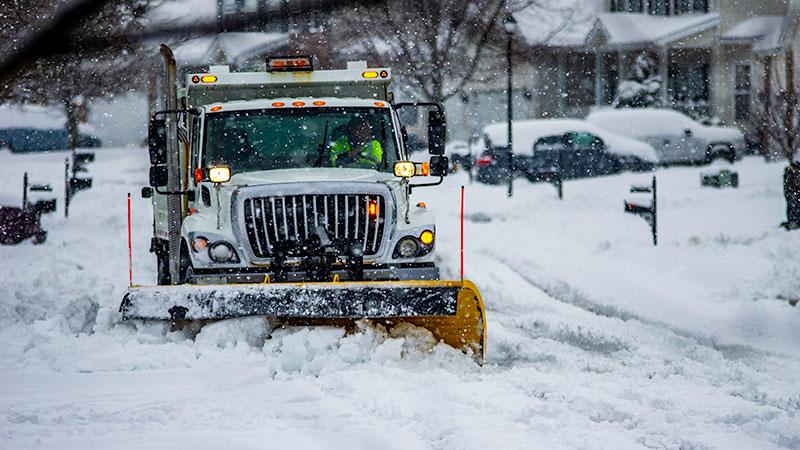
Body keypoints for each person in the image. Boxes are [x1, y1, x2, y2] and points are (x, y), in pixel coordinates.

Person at [784, 158, 800, 230]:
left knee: (793, 205)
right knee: (794, 205)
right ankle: (794, 221)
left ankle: (793, 221)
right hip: (793, 194)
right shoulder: (792, 172)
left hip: (791, 193)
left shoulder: (790, 172)